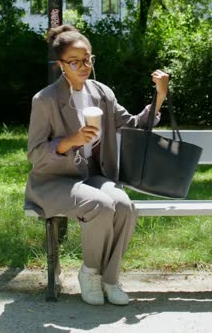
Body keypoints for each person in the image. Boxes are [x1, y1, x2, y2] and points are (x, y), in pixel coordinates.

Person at [25, 24, 169, 306]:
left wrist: (160, 95)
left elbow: (134, 126)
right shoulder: (45, 100)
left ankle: (110, 278)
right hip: (55, 180)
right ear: (60, 65)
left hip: (93, 175)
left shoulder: (102, 93)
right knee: (99, 206)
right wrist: (70, 141)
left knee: (125, 206)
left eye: (88, 58)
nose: (84, 66)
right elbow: (36, 154)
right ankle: (90, 273)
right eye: (75, 61)